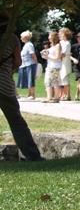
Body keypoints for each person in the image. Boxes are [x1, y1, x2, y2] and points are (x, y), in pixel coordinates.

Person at [0, 13, 43, 160]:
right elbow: (18, 62)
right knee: (16, 121)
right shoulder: (12, 39)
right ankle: (32, 155)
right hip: (4, 84)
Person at [42, 31, 62, 102]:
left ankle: (56, 98)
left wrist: (48, 56)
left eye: (50, 36)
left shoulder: (58, 46)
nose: (48, 37)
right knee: (47, 81)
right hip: (50, 66)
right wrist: (45, 55)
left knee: (54, 82)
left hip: (55, 67)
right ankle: (49, 97)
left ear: (53, 37)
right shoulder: (52, 46)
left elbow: (57, 57)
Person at [17, 30, 37, 100]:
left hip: (30, 64)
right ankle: (29, 94)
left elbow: (33, 55)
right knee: (28, 80)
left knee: (31, 79)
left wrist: (36, 64)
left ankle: (33, 94)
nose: (20, 38)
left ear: (25, 37)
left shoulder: (29, 45)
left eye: (21, 37)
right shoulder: (26, 45)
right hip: (25, 65)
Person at [58, 27, 72, 100]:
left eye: (61, 33)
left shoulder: (67, 43)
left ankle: (67, 95)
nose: (59, 34)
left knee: (65, 78)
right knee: (60, 79)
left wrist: (56, 56)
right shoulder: (60, 42)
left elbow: (63, 54)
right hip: (60, 63)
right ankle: (62, 94)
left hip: (65, 62)